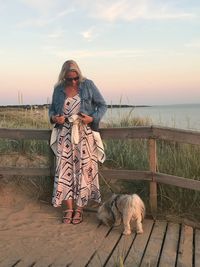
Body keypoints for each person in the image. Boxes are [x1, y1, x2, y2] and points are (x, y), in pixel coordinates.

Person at [49, 60, 107, 224]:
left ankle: (79, 209)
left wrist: (92, 118)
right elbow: (52, 109)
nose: (73, 81)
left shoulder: (88, 85)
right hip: (65, 134)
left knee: (83, 171)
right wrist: (54, 117)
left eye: (76, 78)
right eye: (69, 79)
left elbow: (103, 105)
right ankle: (68, 208)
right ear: (63, 77)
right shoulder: (58, 89)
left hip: (84, 134)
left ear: (79, 75)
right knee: (63, 171)